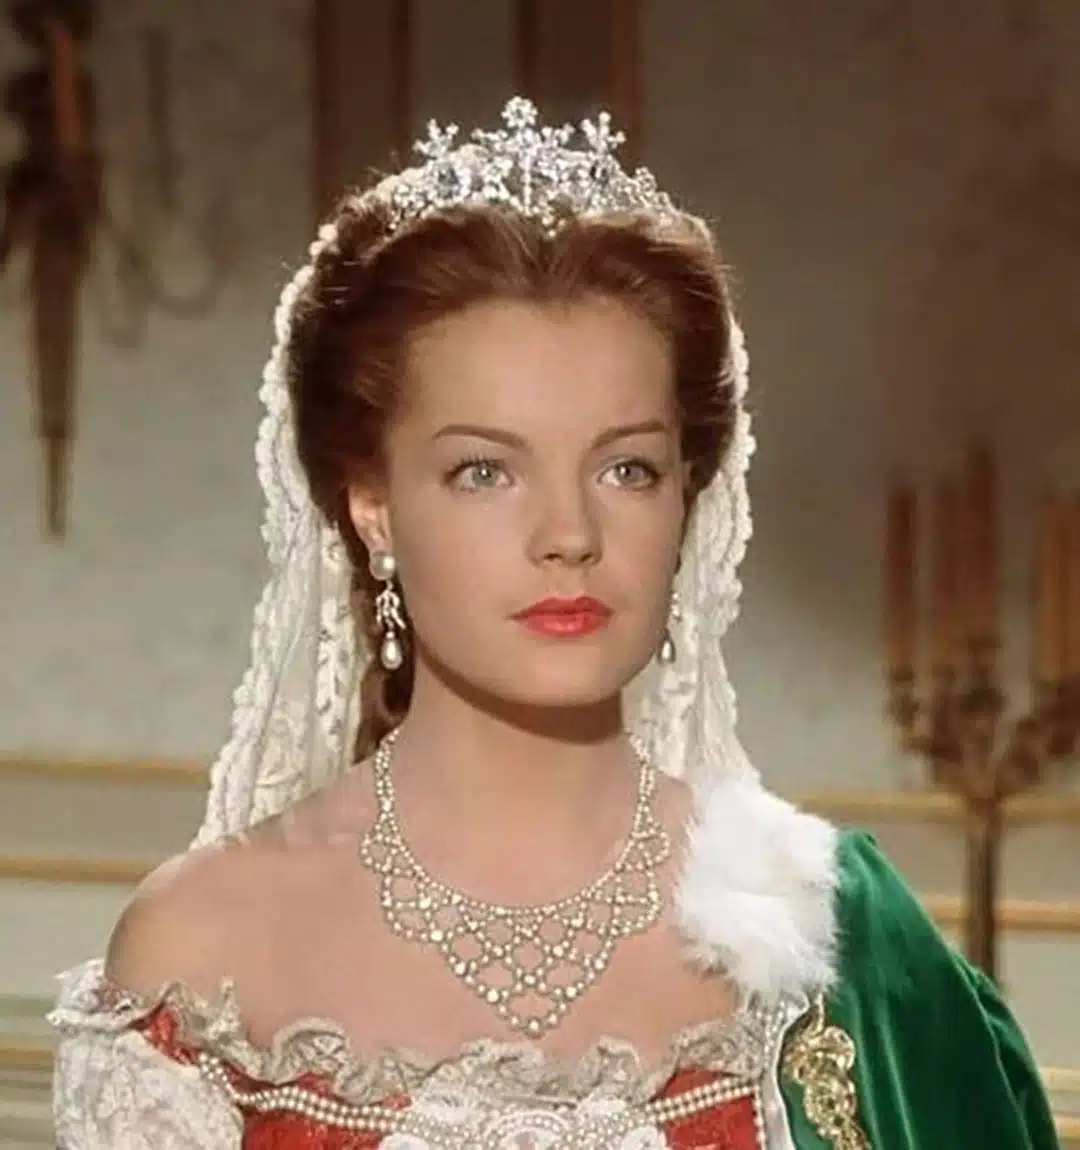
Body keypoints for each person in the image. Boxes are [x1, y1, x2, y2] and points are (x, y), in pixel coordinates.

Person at [48, 98, 1059, 1150]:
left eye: (627, 469)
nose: (570, 534)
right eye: (484, 472)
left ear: (685, 495)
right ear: (373, 505)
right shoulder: (198, 959)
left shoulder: (839, 936)